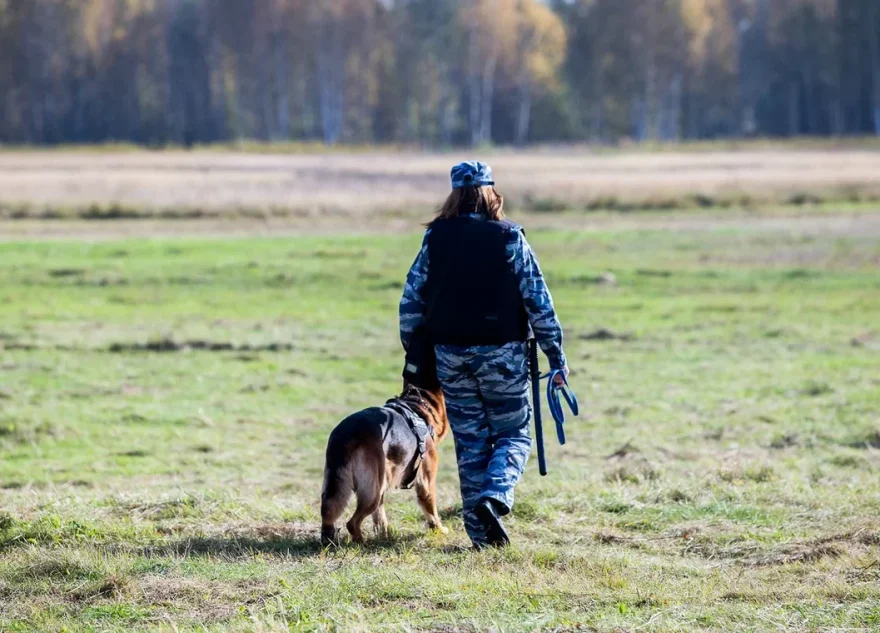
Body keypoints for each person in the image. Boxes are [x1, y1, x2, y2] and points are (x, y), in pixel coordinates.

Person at [399, 161, 568, 549]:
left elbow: (410, 302)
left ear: (454, 194)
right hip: (503, 355)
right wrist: (555, 355)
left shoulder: (435, 239)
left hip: (450, 357)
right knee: (514, 434)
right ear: (492, 192)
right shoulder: (509, 238)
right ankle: (495, 496)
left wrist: (417, 354)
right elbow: (538, 300)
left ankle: (481, 539)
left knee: (471, 443)